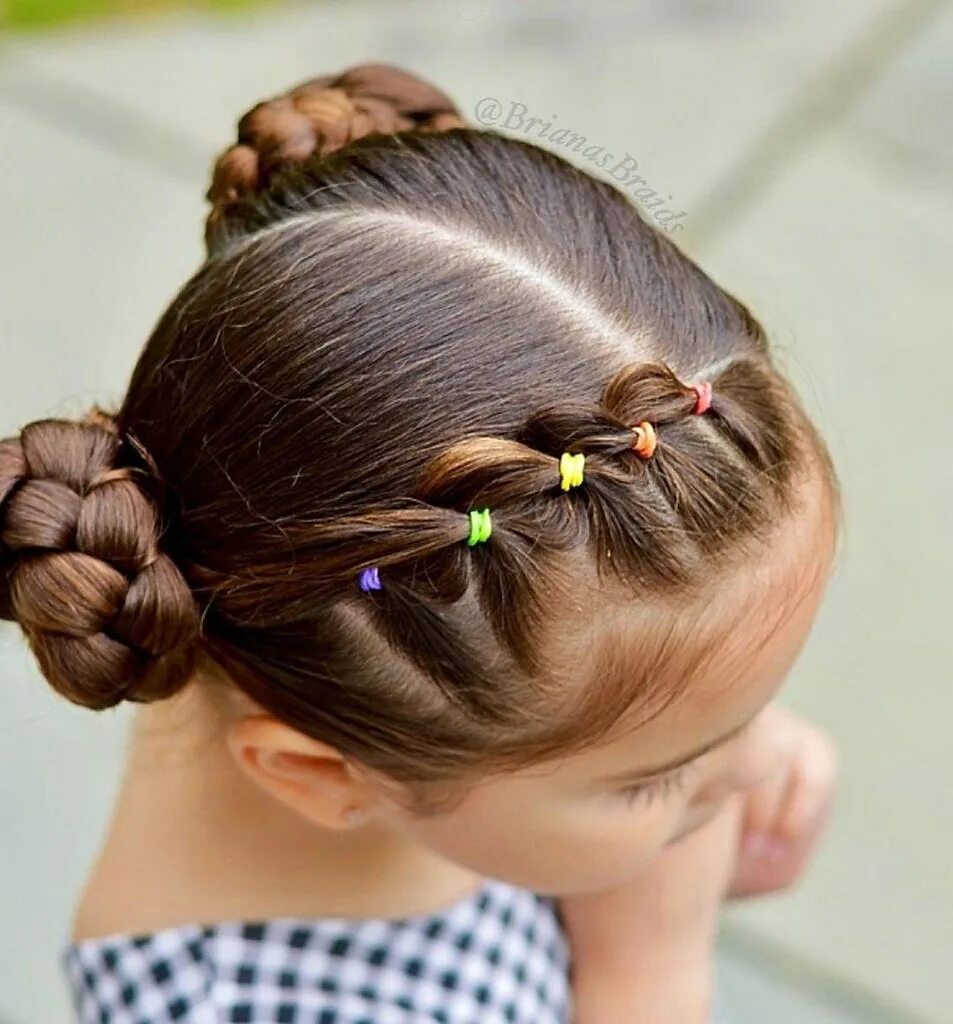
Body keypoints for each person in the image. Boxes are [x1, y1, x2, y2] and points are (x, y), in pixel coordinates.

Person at [0, 63, 840, 1024]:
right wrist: (646, 974)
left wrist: (685, 775)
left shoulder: (317, 620)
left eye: (739, 719)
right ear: (322, 777)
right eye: (658, 778)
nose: (745, 774)